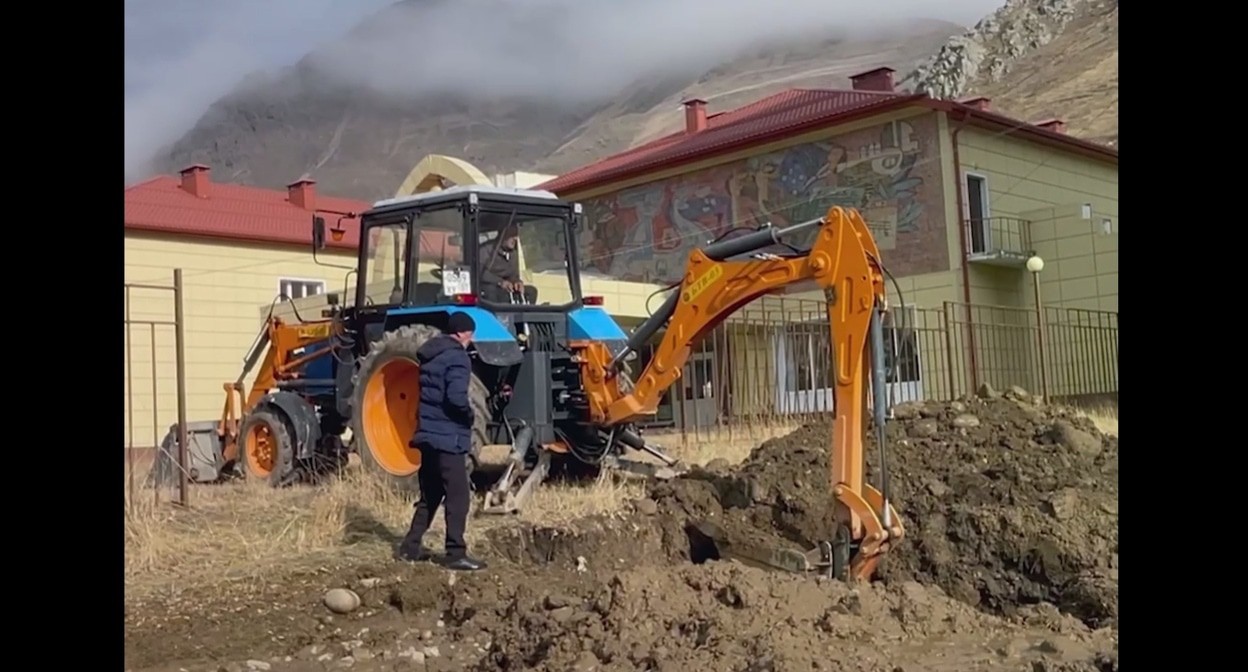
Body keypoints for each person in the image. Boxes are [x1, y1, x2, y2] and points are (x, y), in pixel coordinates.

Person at [397, 312, 487, 571]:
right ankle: (455, 553)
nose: (471, 339)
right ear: (462, 333)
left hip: (428, 435)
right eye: (470, 333)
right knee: (459, 496)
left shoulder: (431, 356)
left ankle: (410, 547)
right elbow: (456, 398)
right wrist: (468, 416)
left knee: (431, 495)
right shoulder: (458, 358)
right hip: (448, 437)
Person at [479, 228, 539, 305]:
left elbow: (513, 275)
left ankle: (524, 315)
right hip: (489, 286)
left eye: (516, 235)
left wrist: (517, 282)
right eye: (512, 235)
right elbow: (480, 272)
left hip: (507, 288)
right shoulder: (486, 249)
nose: (515, 239)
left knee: (531, 291)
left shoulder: (513, 253)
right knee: (491, 291)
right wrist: (500, 282)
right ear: (502, 235)